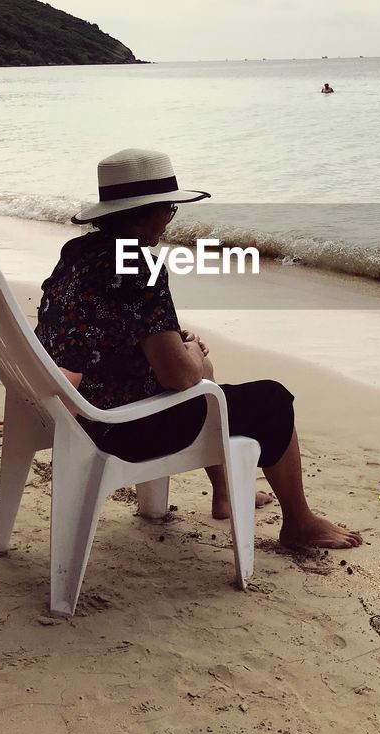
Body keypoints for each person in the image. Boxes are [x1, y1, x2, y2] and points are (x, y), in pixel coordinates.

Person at [35, 148, 362, 550]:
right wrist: (193, 354)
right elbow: (180, 377)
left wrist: (177, 342)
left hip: (68, 411)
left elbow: (100, 330)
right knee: (271, 399)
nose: (170, 218)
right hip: (120, 427)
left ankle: (225, 494)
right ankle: (299, 521)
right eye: (169, 208)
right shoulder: (139, 267)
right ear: (148, 212)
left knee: (204, 378)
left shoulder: (78, 254)